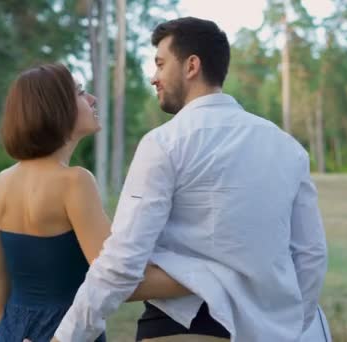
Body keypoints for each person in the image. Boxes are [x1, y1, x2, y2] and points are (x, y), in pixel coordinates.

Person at [51, 17, 328, 342]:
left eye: (160, 64)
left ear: (191, 65)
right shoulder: (287, 147)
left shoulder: (164, 143)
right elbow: (311, 255)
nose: (154, 78)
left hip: (183, 327)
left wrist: (65, 338)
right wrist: (291, 323)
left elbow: (122, 260)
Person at [0, 63, 191, 342]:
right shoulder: (74, 182)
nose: (92, 99)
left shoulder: (3, 182)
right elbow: (115, 273)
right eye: (80, 93)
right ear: (56, 108)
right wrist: (203, 279)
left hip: (10, 332)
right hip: (68, 332)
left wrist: (9, 331)